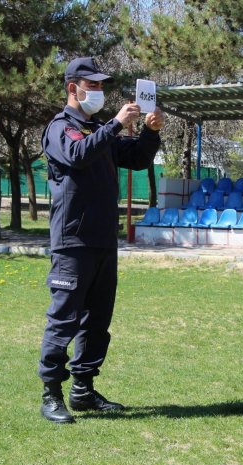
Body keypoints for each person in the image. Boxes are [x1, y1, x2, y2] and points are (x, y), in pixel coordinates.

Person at [38, 57, 164, 424]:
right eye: (90, 85)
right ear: (71, 88)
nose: (97, 91)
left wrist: (150, 132)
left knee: (97, 321)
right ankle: (51, 394)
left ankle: (83, 390)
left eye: (100, 85)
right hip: (72, 242)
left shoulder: (99, 130)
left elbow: (137, 158)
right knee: (63, 320)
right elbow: (78, 155)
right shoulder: (61, 128)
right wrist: (114, 124)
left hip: (103, 242)